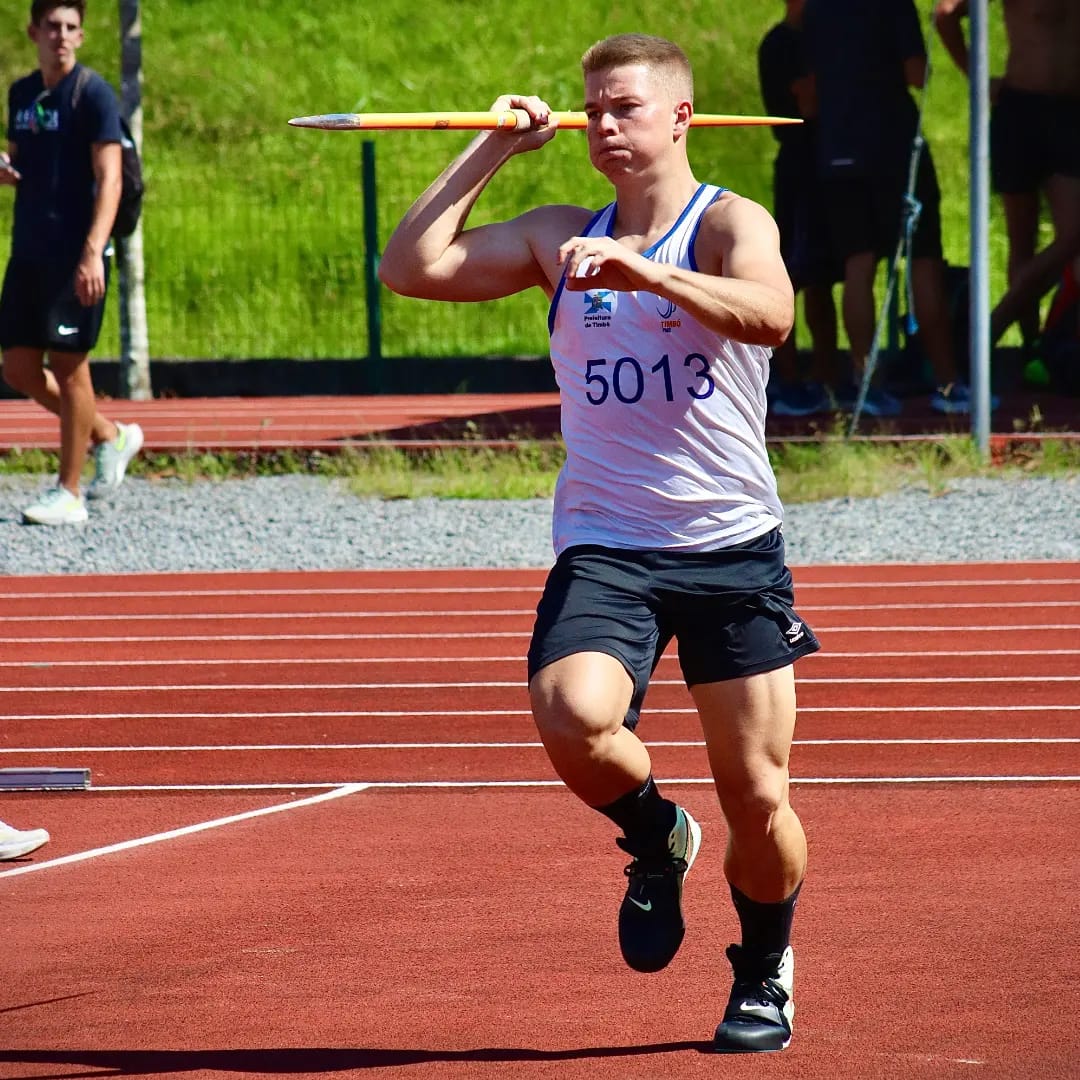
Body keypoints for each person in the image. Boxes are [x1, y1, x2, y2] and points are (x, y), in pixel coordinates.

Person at [378, 33, 820, 1054]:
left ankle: (764, 968)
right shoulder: (557, 237)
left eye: (625, 106)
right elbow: (411, 268)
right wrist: (494, 146)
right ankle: (657, 837)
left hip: (728, 547)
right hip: (608, 544)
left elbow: (773, 315)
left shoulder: (729, 223)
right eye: (591, 110)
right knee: (573, 715)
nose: (604, 125)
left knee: (759, 799)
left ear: (681, 117)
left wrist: (649, 275)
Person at [0, 0, 143, 527]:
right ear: (33, 32)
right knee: (17, 368)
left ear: (81, 37)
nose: (61, 35)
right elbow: (22, 157)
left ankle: (70, 492)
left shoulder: (94, 94)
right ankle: (108, 434)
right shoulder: (21, 93)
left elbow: (111, 179)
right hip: (28, 250)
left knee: (68, 364)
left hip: (76, 253)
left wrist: (92, 252)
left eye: (71, 28)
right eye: (53, 26)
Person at [802, 0, 974, 415]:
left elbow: (811, 90)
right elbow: (916, 74)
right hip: (893, 149)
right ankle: (949, 385)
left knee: (857, 265)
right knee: (923, 260)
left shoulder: (816, 9)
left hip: (837, 151)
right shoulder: (894, 5)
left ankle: (867, 386)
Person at [934, 0, 1080, 364]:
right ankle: (1031, 348)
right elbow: (946, 13)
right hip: (1022, 110)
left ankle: (991, 328)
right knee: (1022, 241)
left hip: (1071, 115)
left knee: (1073, 234)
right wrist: (977, 78)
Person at [758, 0, 846, 416]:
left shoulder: (824, 37)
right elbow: (806, 104)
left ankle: (827, 374)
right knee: (790, 272)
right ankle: (787, 375)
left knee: (823, 275)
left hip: (827, 163)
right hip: (799, 165)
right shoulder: (781, 44)